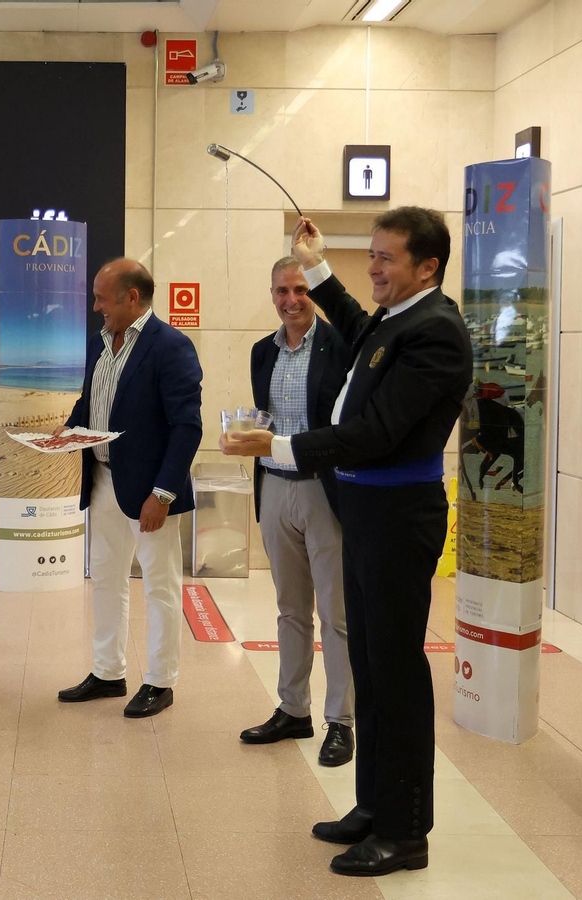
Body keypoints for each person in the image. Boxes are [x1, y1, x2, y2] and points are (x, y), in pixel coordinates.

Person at [222, 209, 472, 877]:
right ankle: (374, 806)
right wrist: (319, 266)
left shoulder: (437, 331)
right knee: (369, 664)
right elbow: (362, 329)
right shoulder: (397, 320)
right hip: (366, 513)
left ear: (428, 266)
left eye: (387, 258)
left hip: (397, 516)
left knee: (396, 676)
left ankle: (405, 832)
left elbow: (377, 433)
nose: (375, 268)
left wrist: (276, 445)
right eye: (372, 255)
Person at [55, 258, 202, 719]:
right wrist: (68, 429)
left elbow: (187, 427)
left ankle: (160, 681)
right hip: (102, 480)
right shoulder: (100, 343)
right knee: (105, 579)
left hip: (149, 492)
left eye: (102, 298)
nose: (96, 306)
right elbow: (92, 401)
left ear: (132, 297)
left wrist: (163, 494)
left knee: (160, 585)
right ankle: (107, 672)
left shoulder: (171, 346)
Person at [238, 256, 354, 767]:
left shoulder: (341, 345)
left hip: (324, 491)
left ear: (315, 293)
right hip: (274, 488)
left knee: (336, 613)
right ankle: (293, 709)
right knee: (290, 609)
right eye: (282, 291)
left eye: (301, 290)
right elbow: (266, 419)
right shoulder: (262, 351)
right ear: (272, 295)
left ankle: (341, 721)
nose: (292, 300)